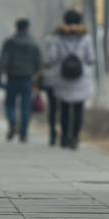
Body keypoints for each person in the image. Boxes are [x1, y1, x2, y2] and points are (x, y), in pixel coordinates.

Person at [44, 9, 95, 149]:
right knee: (79, 108)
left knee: (65, 108)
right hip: (81, 78)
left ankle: (65, 136)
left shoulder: (57, 37)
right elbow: (91, 58)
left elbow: (51, 58)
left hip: (63, 77)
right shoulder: (86, 37)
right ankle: (76, 137)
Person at [0, 18, 41, 142]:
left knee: (9, 104)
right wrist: (37, 79)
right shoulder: (33, 43)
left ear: (16, 27)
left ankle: (12, 122)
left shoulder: (9, 42)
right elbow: (38, 63)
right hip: (27, 79)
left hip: (12, 78)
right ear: (27, 28)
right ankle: (23, 133)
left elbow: (2, 60)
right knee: (26, 106)